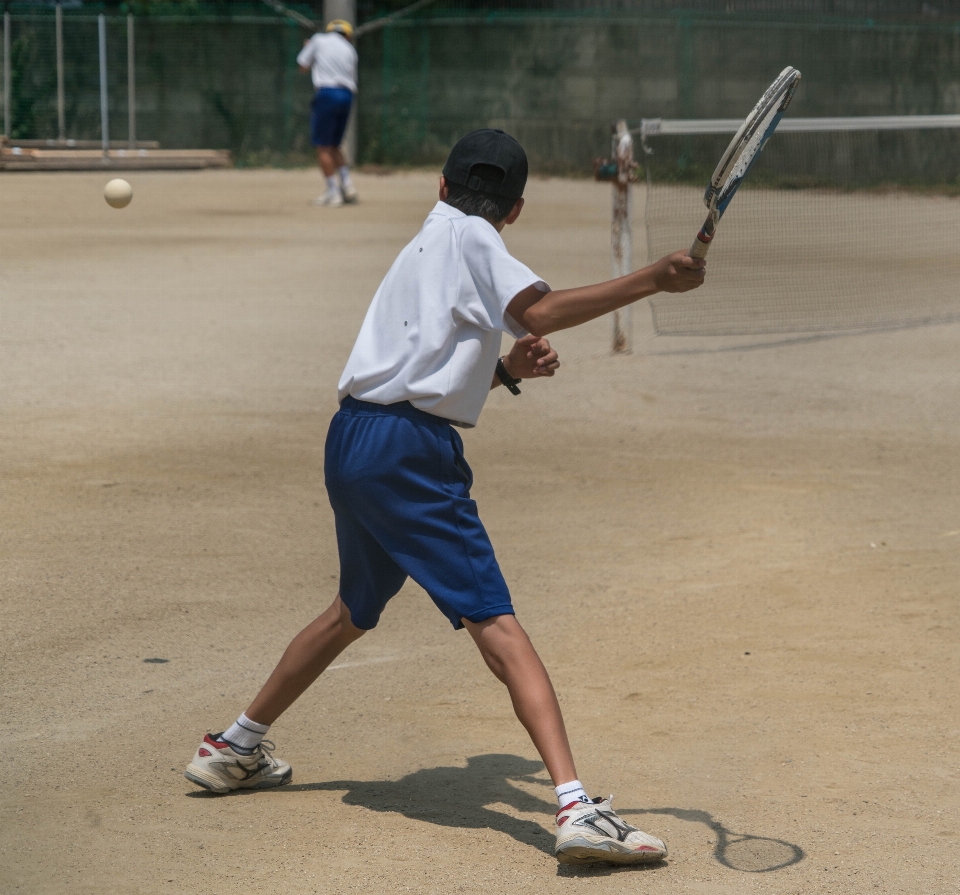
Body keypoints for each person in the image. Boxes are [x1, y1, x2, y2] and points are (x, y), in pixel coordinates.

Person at [185, 129, 706, 865]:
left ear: (440, 185)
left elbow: (420, 369)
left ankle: (232, 745)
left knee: (350, 611)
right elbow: (544, 311)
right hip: (408, 456)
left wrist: (505, 371)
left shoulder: (426, 241)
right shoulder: (478, 239)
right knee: (495, 620)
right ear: (516, 210)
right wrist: (653, 277)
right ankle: (575, 805)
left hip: (354, 438)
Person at [297, 19, 358, 207]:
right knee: (334, 145)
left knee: (322, 146)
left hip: (327, 93)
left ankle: (333, 192)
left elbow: (302, 65)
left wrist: (311, 49)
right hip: (346, 95)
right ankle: (348, 186)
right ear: (347, 35)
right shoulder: (350, 50)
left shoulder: (318, 40)